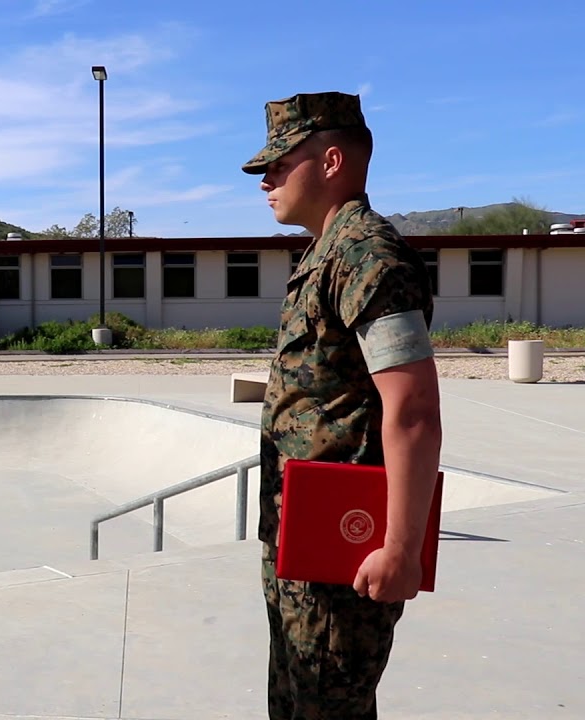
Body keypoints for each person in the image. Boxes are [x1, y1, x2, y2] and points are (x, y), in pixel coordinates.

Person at [241, 92, 444, 719]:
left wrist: (401, 549)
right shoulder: (326, 253)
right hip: (300, 544)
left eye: (280, 163)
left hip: (344, 551)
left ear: (331, 161)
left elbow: (411, 409)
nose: (266, 179)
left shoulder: (366, 255)